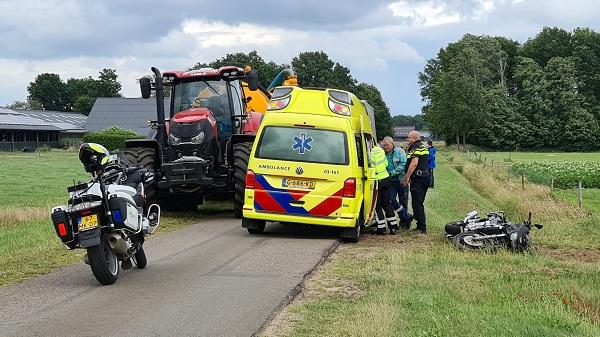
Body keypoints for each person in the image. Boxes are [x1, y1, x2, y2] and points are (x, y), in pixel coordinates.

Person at [402, 131, 430, 234]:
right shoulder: (423, 146)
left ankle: (421, 228)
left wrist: (407, 177)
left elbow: (414, 163)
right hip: (425, 177)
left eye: (408, 138)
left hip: (418, 178)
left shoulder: (415, 147)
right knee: (419, 202)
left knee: (417, 203)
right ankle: (420, 224)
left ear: (413, 138)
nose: (407, 140)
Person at [381, 136, 412, 229]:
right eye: (384, 145)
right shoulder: (383, 154)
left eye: (387, 145)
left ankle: (404, 223)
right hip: (390, 181)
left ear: (392, 143)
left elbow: (403, 164)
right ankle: (407, 217)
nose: (385, 147)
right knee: (391, 200)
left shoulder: (400, 151)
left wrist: (393, 172)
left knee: (403, 201)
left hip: (401, 180)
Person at [370, 142, 399, 235]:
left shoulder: (369, 152)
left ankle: (381, 228)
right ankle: (393, 227)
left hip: (377, 181)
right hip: (386, 179)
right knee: (387, 203)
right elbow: (386, 164)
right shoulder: (381, 151)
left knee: (377, 205)